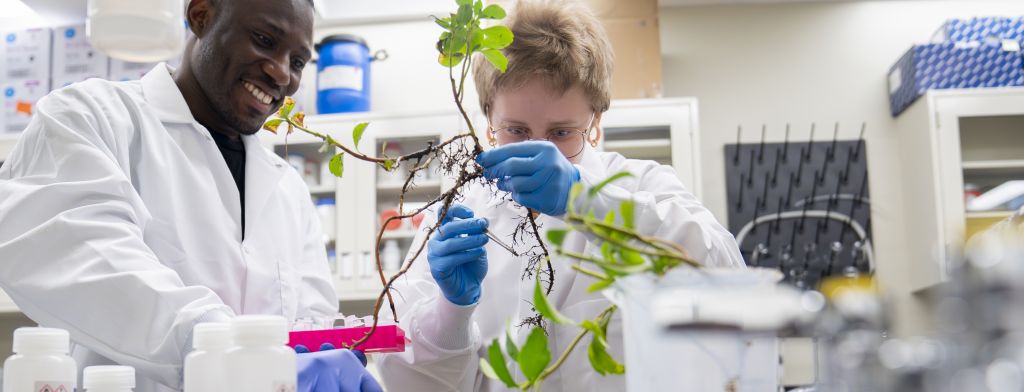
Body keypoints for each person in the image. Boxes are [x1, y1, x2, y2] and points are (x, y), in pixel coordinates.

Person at [0, 0, 380, 391]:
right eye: (265, 39)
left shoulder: (289, 189)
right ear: (201, 16)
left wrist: (327, 355)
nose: (281, 73)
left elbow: (312, 319)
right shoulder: (89, 117)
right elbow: (78, 256)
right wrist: (230, 355)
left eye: (298, 62)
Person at [376, 0, 745, 390]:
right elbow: (406, 382)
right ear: (488, 122)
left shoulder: (640, 186)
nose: (537, 150)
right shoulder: (456, 216)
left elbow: (726, 274)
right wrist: (451, 311)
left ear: (595, 123)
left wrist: (585, 201)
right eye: (516, 131)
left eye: (562, 133)